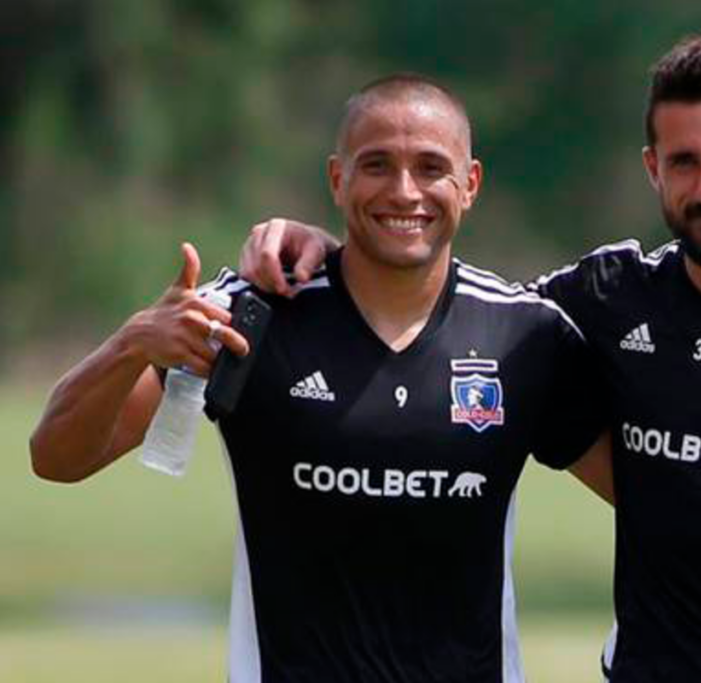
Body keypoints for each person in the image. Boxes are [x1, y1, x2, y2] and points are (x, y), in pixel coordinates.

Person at [240, 34, 701, 682]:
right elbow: (453, 310)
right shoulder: (603, 296)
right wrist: (335, 247)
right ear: (653, 167)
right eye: (684, 162)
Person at [30, 75, 613, 683]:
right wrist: (131, 343)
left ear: (470, 184)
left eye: (430, 167)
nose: (404, 190)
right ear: (338, 179)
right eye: (377, 165)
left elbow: (661, 500)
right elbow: (57, 456)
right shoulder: (249, 315)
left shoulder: (523, 335)